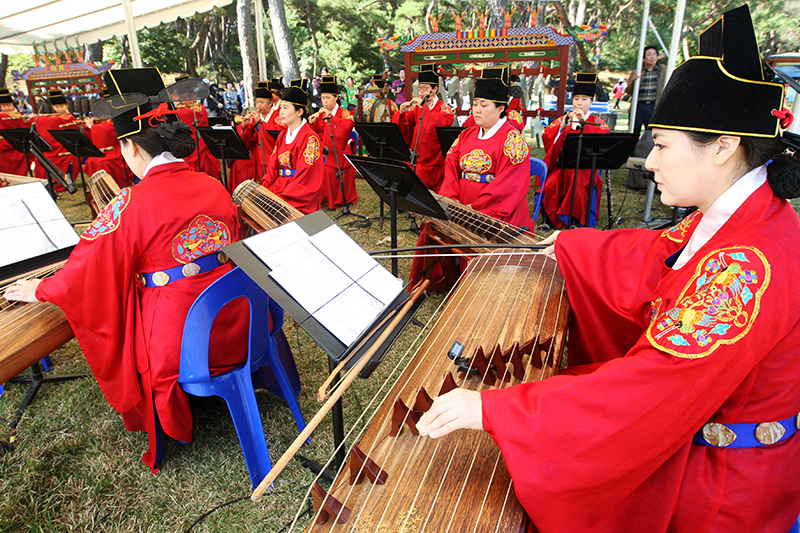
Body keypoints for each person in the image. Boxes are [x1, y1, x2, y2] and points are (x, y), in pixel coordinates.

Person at [417, 5, 800, 532]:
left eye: (662, 146)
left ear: (725, 147)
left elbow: (652, 387)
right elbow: (654, 253)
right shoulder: (738, 221)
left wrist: (497, 411)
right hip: (703, 446)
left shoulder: (749, 264)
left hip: (722, 487)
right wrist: (570, 246)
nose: (650, 161)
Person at [3, 68, 255, 473]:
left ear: (131, 148)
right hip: (241, 320)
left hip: (183, 338)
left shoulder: (129, 204)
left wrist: (43, 289)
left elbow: (85, 271)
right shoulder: (213, 185)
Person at [439, 66, 533, 228]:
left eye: (484, 105)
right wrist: (452, 201)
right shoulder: (465, 135)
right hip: (460, 203)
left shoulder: (513, 142)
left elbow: (508, 187)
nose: (477, 110)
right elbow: (450, 168)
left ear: (501, 108)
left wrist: (473, 209)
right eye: (475, 104)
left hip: (496, 210)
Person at [540, 72, 610, 229]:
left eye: (585, 99)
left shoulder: (598, 122)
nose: (580, 103)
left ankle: (575, 220)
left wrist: (583, 123)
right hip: (564, 164)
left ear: (591, 101)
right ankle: (548, 220)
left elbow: (602, 141)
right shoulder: (564, 118)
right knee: (551, 183)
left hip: (585, 167)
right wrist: (563, 126)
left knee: (578, 184)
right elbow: (548, 135)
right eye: (576, 98)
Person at [262, 79, 325, 214]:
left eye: (285, 108)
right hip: (279, 187)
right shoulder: (282, 135)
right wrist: (264, 189)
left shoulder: (310, 138)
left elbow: (307, 178)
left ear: (299, 112)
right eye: (281, 107)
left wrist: (282, 198)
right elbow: (273, 166)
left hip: (298, 195)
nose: (281, 113)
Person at [392, 64, 455, 193]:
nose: (421, 92)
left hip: (433, 159)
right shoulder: (416, 107)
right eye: (420, 88)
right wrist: (402, 113)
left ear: (435, 89)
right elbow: (404, 125)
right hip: (416, 157)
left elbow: (437, 125)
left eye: (425, 88)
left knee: (431, 193)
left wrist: (424, 108)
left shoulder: (445, 109)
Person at [228, 79, 285, 193]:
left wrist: (260, 122)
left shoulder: (278, 117)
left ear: (270, 103)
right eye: (257, 102)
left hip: (272, 151)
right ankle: (243, 192)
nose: (259, 105)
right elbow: (248, 141)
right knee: (239, 163)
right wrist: (245, 126)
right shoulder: (254, 118)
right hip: (256, 151)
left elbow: (277, 134)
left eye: (262, 102)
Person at [308, 75, 357, 209]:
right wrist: (311, 123)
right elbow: (313, 133)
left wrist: (330, 118)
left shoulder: (343, 112)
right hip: (325, 151)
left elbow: (348, 125)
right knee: (323, 167)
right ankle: (325, 198)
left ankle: (343, 198)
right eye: (323, 98)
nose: (325, 101)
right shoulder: (319, 114)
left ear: (336, 97)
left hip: (340, 149)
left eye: (328, 98)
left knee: (336, 168)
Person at [83, 88, 133, 187]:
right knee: (93, 160)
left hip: (121, 149)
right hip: (112, 149)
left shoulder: (121, 113)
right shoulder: (109, 115)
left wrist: (91, 127)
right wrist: (88, 128)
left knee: (104, 162)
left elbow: (110, 129)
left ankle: (111, 186)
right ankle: (101, 187)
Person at [32, 89, 80, 186]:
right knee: (42, 156)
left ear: (66, 105)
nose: (59, 109)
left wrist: (33, 118)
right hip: (57, 146)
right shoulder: (55, 117)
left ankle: (63, 181)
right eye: (56, 107)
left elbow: (53, 123)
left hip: (67, 146)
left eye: (62, 106)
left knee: (53, 157)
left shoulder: (69, 117)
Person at [626, 45, 667, 139]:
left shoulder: (663, 70)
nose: (652, 57)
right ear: (643, 58)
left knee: (653, 135)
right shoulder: (637, 71)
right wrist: (633, 80)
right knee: (633, 133)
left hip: (654, 106)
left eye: (654, 54)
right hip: (638, 106)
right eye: (649, 55)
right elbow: (628, 91)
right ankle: (631, 152)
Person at [0, 87, 31, 176]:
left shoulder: (19, 115)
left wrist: (27, 121)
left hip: (19, 146)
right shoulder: (1, 116)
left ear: (13, 105)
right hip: (4, 148)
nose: (7, 108)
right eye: (4, 106)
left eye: (9, 105)